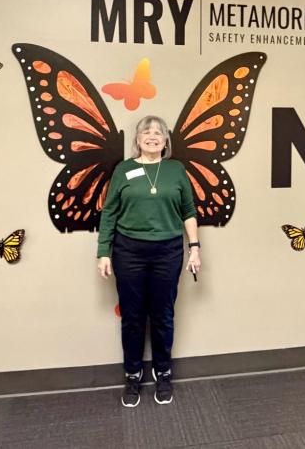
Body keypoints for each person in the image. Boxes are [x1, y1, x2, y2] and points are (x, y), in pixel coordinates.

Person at [96, 115, 201, 407]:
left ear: (166, 141)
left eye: (158, 133)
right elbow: (109, 213)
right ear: (138, 139)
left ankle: (163, 372)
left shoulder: (176, 170)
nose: (152, 136)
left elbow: (189, 211)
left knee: (163, 315)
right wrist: (103, 251)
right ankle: (132, 375)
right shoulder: (124, 170)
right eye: (147, 132)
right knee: (132, 317)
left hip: (168, 251)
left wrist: (194, 248)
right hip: (128, 252)